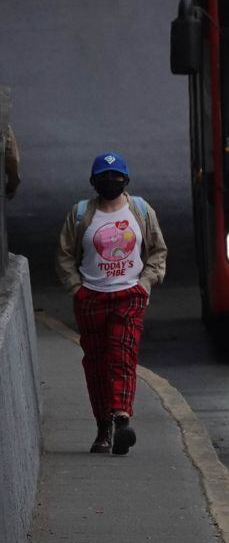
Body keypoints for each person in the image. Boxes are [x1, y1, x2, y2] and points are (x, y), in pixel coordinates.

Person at [55, 152, 167, 454]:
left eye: (116, 177)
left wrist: (145, 284)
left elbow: (157, 251)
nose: (110, 182)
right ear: (93, 182)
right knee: (96, 363)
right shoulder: (80, 214)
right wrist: (76, 288)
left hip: (129, 296)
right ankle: (103, 427)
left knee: (122, 353)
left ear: (126, 180)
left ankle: (121, 416)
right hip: (90, 298)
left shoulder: (141, 211)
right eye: (104, 178)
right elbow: (65, 255)